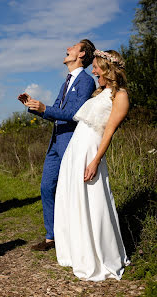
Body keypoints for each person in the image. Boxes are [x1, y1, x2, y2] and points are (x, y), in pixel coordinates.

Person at [54, 50, 130, 281]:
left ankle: (97, 256)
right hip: (76, 149)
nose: (93, 70)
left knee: (93, 202)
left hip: (90, 151)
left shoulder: (120, 96)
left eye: (96, 67)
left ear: (108, 69)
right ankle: (76, 252)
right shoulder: (101, 92)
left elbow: (109, 131)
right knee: (73, 199)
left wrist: (95, 160)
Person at [18, 39, 96, 251]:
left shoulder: (86, 82)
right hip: (55, 142)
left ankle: (74, 237)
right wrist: (34, 107)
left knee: (71, 191)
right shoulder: (65, 82)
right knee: (46, 187)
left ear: (81, 54)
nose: (68, 49)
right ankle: (51, 237)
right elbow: (56, 113)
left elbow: (74, 114)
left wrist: (45, 108)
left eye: (73, 47)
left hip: (71, 142)